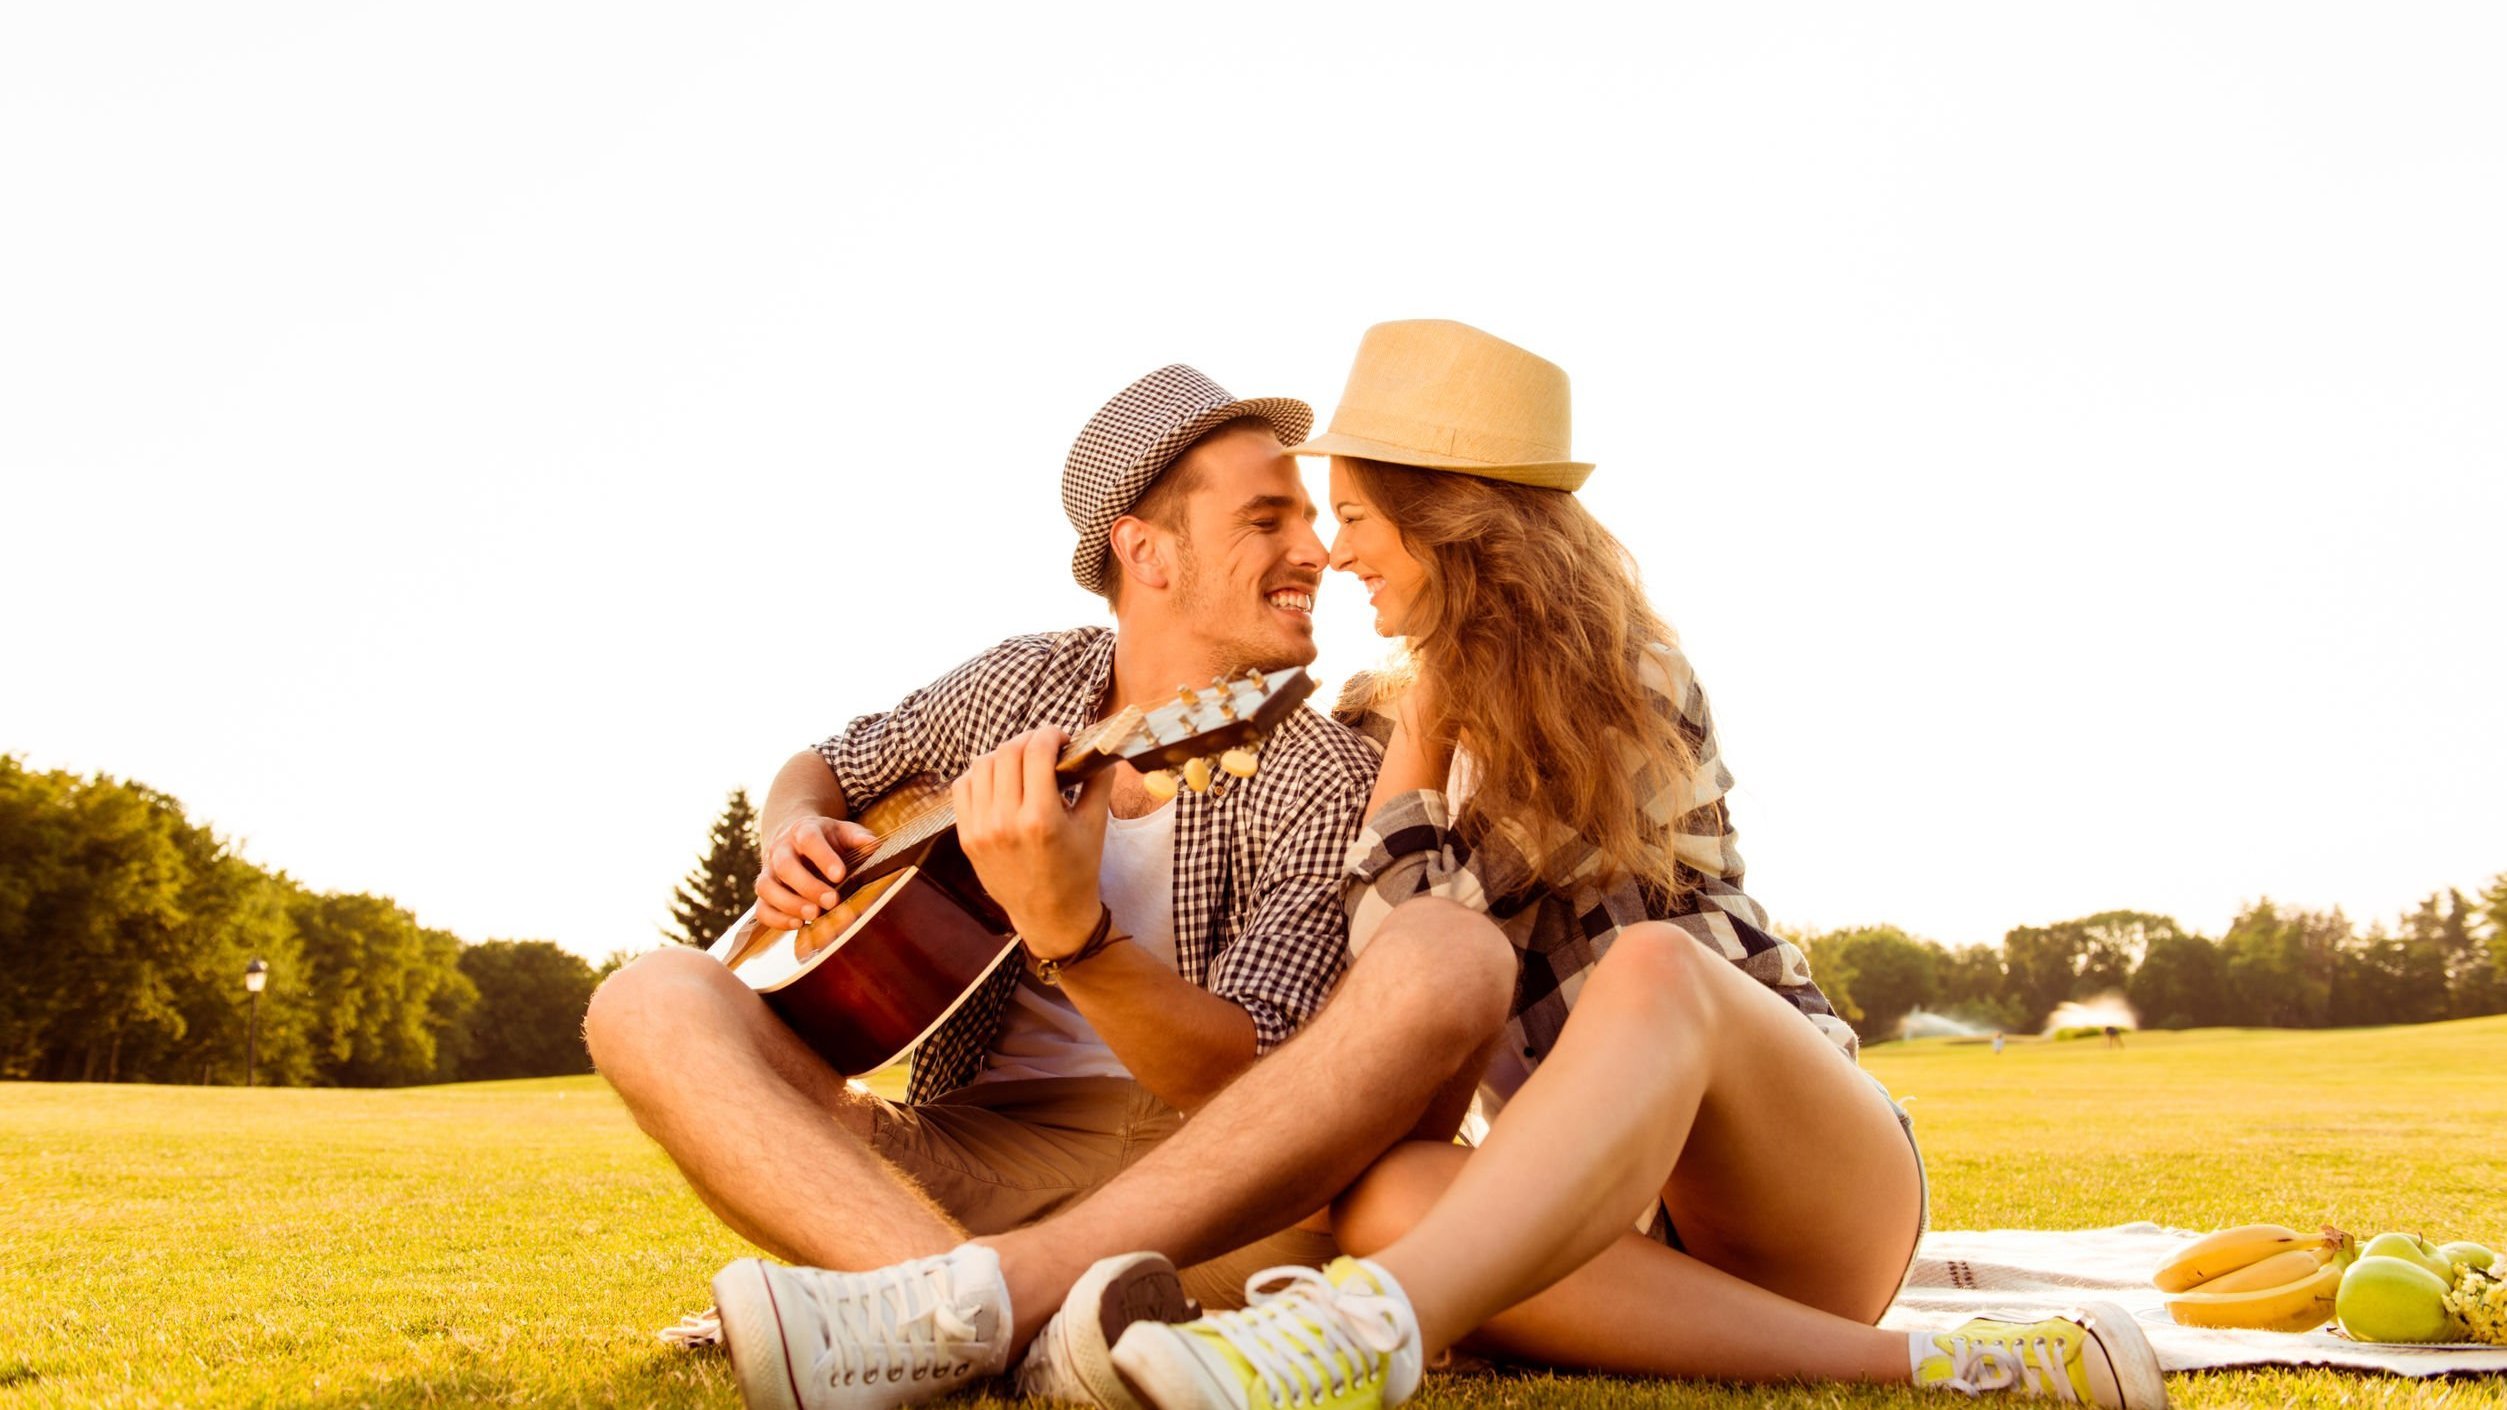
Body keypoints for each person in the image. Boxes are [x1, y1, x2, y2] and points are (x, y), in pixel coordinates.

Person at [1106, 321, 2169, 1410]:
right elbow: (1395, 1009)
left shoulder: (1622, 683)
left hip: (1802, 1185)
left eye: (1356, 516)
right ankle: (1952, 1367)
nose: (1334, 553)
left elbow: (1433, 952)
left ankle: (1350, 1337)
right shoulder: (1392, 725)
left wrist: (1422, 730)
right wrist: (1415, 729)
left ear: (1449, 526)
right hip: (1615, 1230)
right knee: (1383, 1199)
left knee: (1652, 970)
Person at [583, 365, 1510, 1407]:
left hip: (1212, 1183)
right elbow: (830, 763)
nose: (1316, 553)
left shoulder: (1322, 768)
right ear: (1145, 550)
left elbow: (1248, 1082)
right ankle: (979, 1315)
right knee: (646, 1000)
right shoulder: (1016, 682)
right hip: (956, 1156)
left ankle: (919, 1308)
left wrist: (1071, 935)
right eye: (1267, 520)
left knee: (1373, 1160)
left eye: (1310, 519)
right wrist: (795, 827)